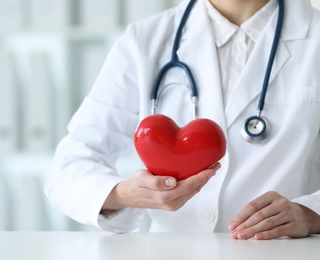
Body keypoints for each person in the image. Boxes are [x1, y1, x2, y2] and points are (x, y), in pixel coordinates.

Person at [45, 0, 320, 239]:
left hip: (282, 251)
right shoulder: (144, 40)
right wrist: (125, 193)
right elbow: (69, 168)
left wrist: (310, 213)